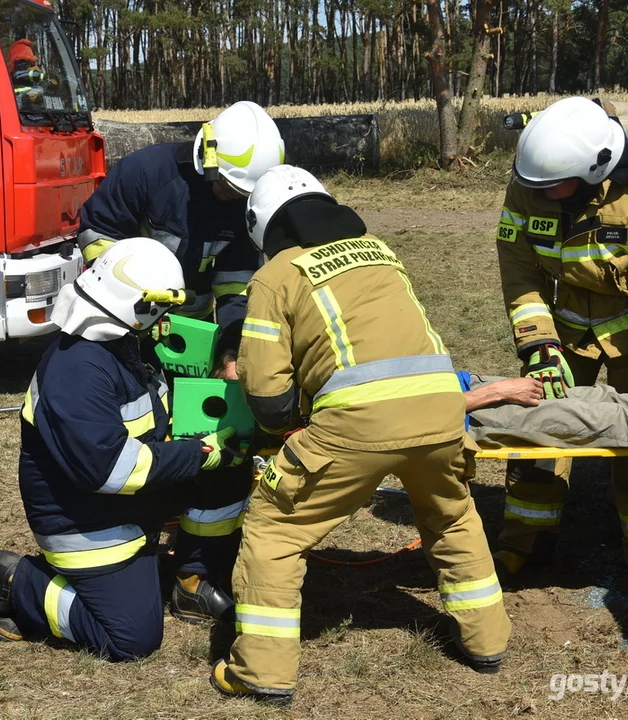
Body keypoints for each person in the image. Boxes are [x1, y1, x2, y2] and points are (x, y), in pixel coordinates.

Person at [210, 166, 511, 704]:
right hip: (441, 409)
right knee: (452, 514)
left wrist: (286, 427)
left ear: (264, 226)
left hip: (356, 421)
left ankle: (262, 671)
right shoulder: (379, 249)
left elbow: (269, 394)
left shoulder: (276, 274)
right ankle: (487, 641)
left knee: (274, 530)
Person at [0, 238, 252, 661]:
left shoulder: (124, 344)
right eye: (159, 309)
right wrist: (196, 454)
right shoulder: (76, 371)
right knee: (130, 639)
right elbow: (110, 470)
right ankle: (18, 581)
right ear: (137, 307)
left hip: (131, 505)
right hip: (88, 522)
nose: (165, 319)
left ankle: (193, 582)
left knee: (230, 469)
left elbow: (152, 421)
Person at [495, 96, 628, 595]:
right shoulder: (531, 183)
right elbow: (519, 271)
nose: (538, 194)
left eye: (551, 187)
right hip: (563, 329)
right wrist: (539, 347)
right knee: (537, 432)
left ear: (593, 171)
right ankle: (525, 542)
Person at [76, 100, 285, 376]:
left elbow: (236, 283)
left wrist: (231, 349)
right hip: (124, 323)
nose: (233, 196)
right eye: (226, 184)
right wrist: (127, 300)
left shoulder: (241, 207)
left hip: (189, 334)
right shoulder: (145, 173)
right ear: (207, 157)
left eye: (241, 192)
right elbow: (98, 232)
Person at [459, 374, 628, 460]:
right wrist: (496, 391)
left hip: (465, 384)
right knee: (613, 421)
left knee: (609, 398)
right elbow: (421, 410)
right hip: (471, 410)